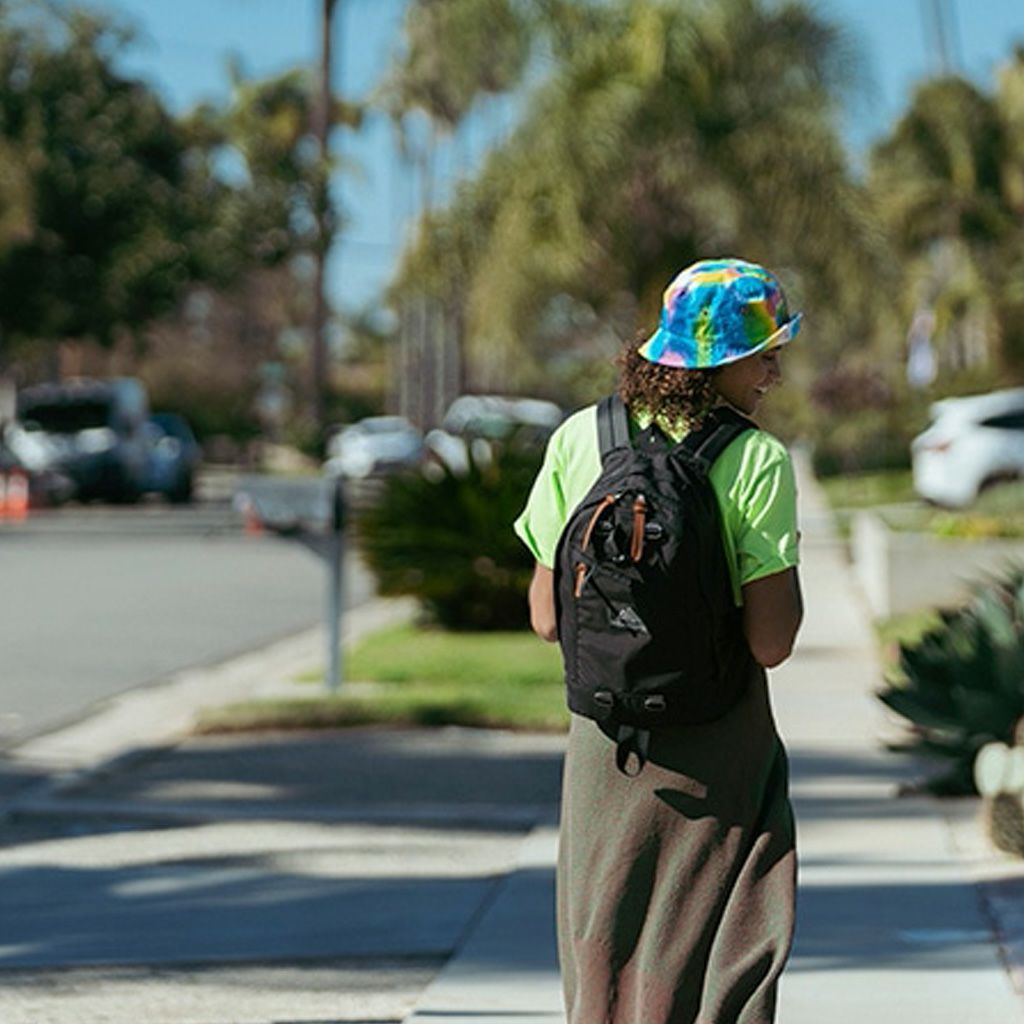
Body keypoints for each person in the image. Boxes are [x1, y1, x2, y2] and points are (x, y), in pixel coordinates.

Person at [514, 257, 804, 1024]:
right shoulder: (756, 459)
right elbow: (771, 643)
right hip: (718, 739)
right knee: (722, 939)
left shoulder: (582, 437)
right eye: (764, 354)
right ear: (717, 360)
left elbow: (546, 617)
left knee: (602, 947)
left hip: (604, 743)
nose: (774, 373)